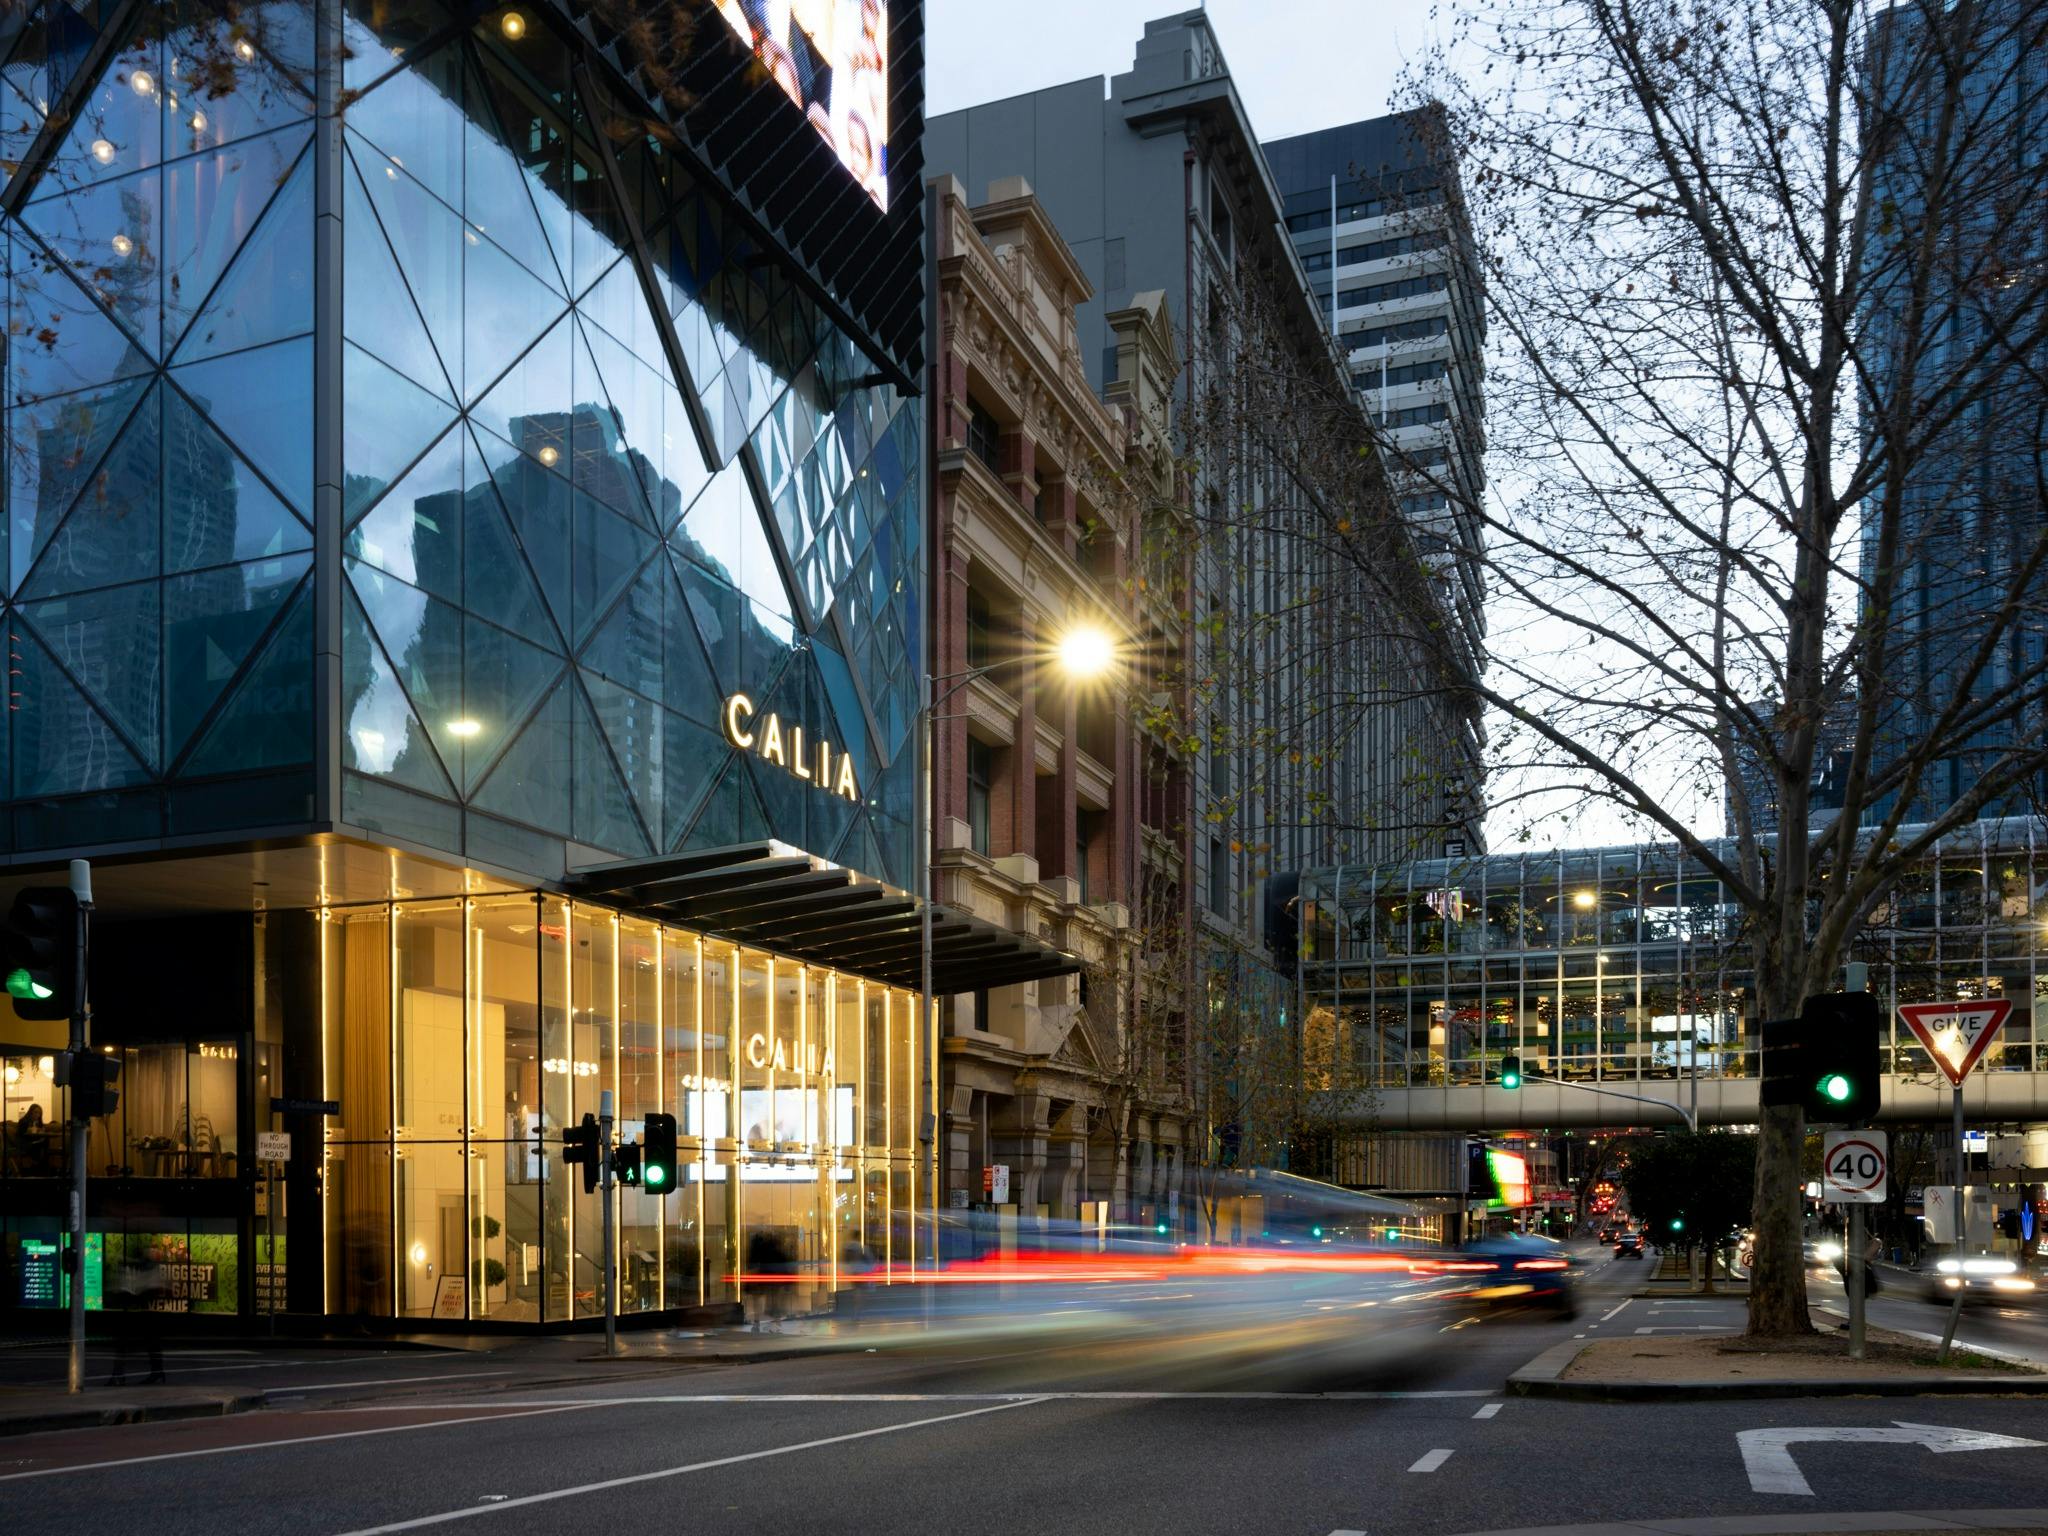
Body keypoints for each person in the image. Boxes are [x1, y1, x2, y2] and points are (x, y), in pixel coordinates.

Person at [105, 1242, 170, 1385]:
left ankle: (119, 1375)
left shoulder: (134, 1268)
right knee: (150, 1343)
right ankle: (156, 1372)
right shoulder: (149, 1268)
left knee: (124, 1344)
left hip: (136, 1312)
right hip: (145, 1313)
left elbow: (123, 1289)